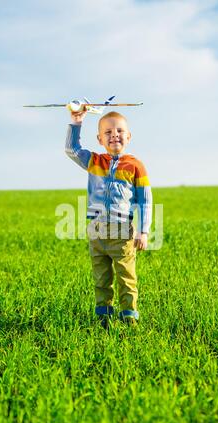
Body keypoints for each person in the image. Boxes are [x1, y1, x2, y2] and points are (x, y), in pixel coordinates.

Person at [65, 107, 152, 328]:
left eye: (120, 130)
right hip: (96, 230)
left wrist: (143, 231)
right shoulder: (94, 162)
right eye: (108, 132)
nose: (114, 135)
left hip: (122, 231)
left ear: (129, 136)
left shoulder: (135, 166)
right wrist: (76, 122)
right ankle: (103, 318)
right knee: (101, 277)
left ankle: (129, 317)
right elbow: (71, 149)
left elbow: (145, 201)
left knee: (126, 276)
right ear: (100, 139)